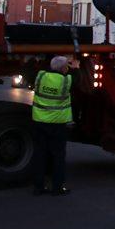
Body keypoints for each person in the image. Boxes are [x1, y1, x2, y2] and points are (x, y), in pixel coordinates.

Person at [31, 56, 74, 195]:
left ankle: (38, 187)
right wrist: (75, 67)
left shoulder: (41, 76)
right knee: (58, 156)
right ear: (63, 68)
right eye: (66, 66)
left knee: (40, 155)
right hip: (57, 124)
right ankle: (57, 188)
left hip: (39, 121)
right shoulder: (66, 80)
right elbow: (77, 77)